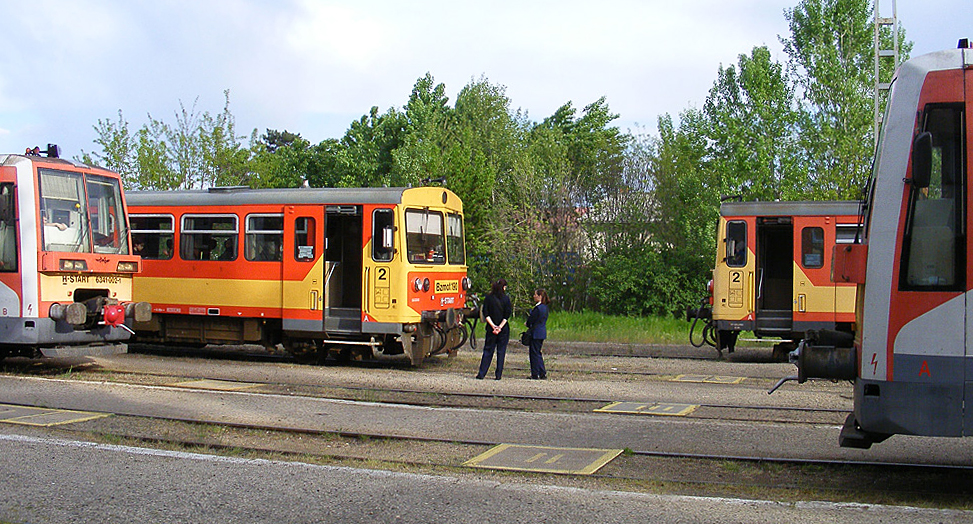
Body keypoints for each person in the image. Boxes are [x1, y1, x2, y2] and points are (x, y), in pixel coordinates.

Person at [475, 278, 512, 380]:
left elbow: (485, 313)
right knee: (501, 352)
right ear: (504, 288)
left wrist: (493, 326)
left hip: (491, 329)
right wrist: (500, 327)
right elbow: (507, 315)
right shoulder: (506, 299)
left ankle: (482, 373)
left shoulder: (489, 298)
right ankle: (498, 375)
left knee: (488, 351)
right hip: (503, 330)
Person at [526, 289, 550, 379]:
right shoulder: (545, 308)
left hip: (535, 333)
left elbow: (531, 319)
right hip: (542, 332)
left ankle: (535, 373)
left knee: (534, 353)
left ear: (540, 296)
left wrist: (528, 324)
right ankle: (542, 372)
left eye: (535, 294)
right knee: (538, 353)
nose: (534, 296)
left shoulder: (538, 308)